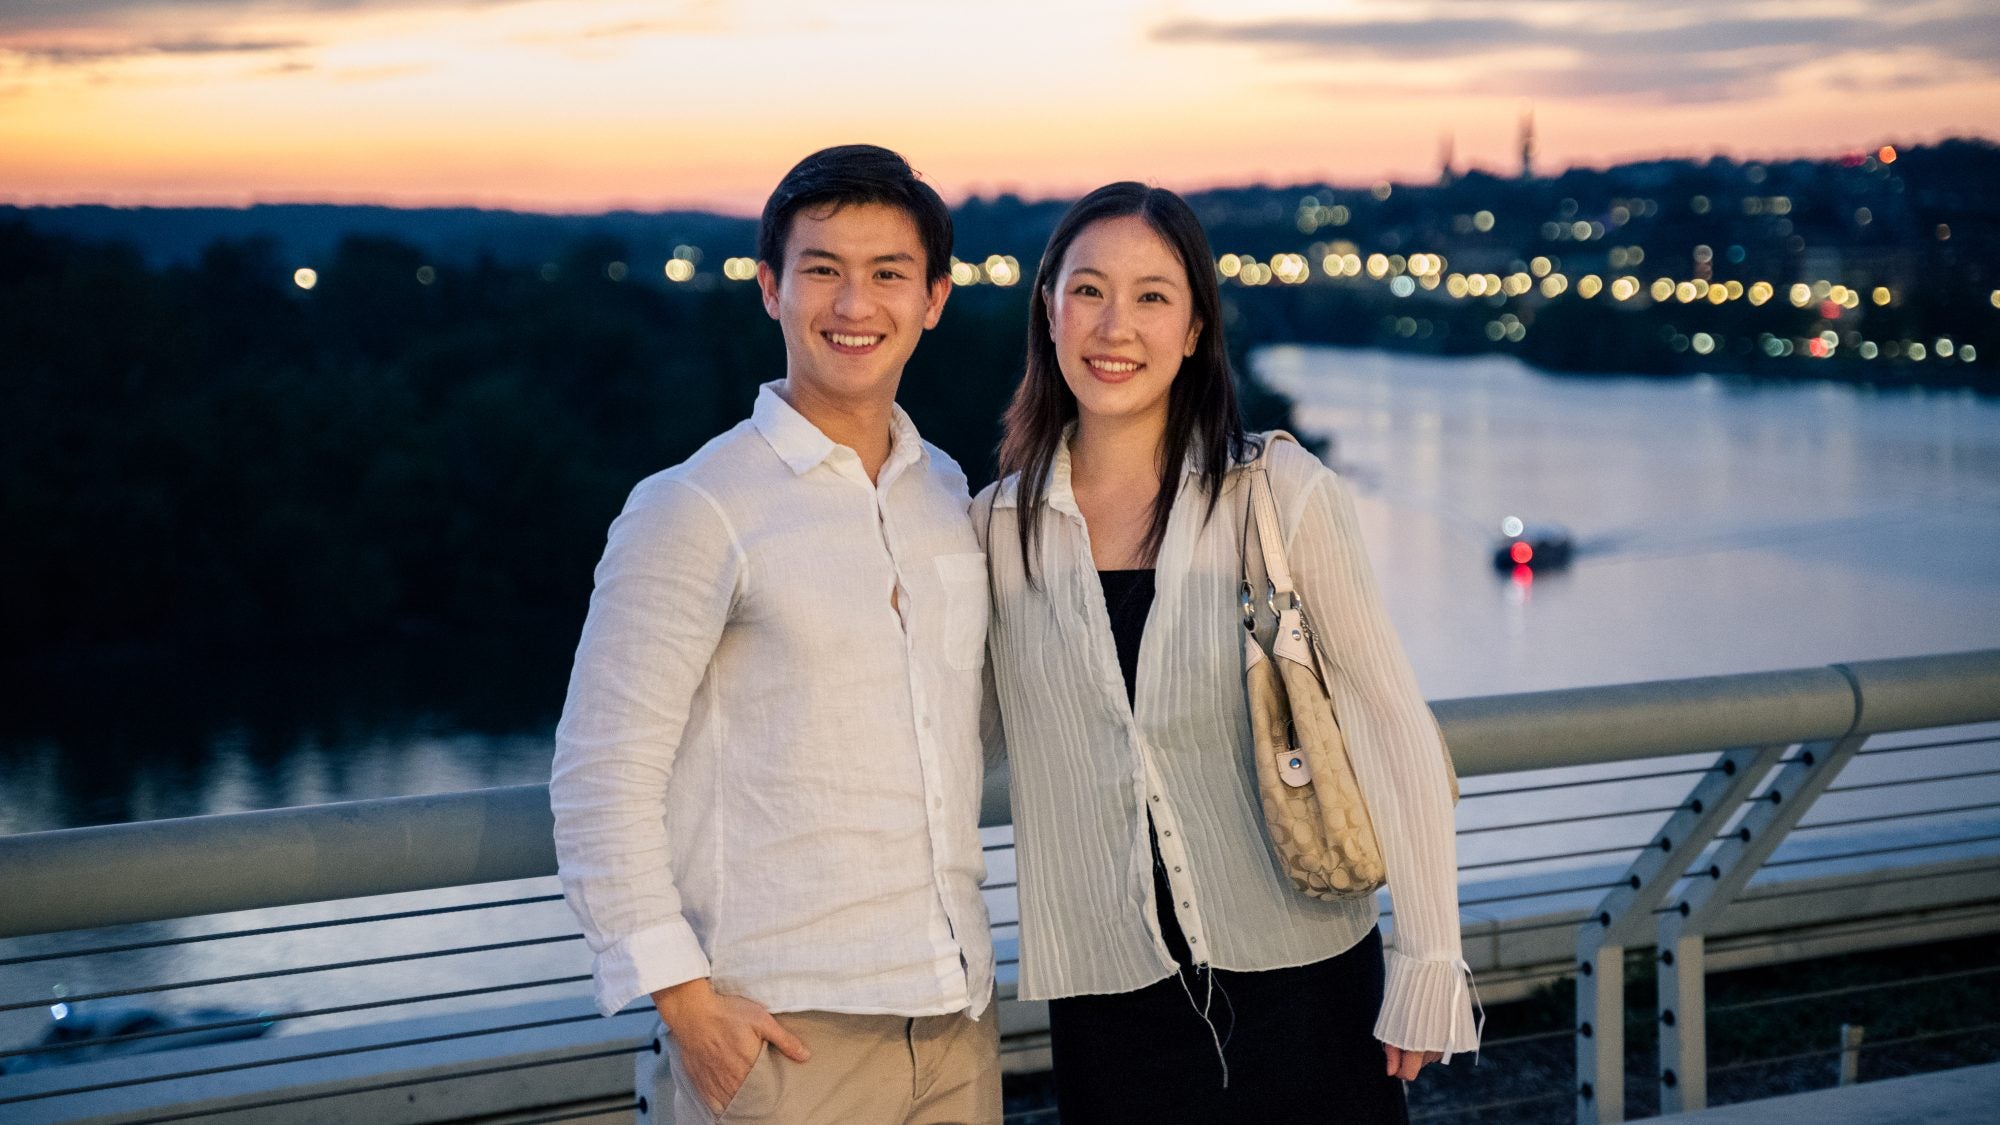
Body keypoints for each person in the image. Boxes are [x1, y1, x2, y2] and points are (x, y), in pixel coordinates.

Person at [974, 182, 1479, 1124]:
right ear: (1048, 310)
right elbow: (952, 746)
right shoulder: (998, 530)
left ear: (1197, 328)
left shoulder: (1278, 493)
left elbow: (1389, 720)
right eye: (1087, 290)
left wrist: (1430, 958)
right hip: (1107, 1000)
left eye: (1153, 296)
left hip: (1306, 986)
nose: (1114, 324)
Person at [550, 145, 1001, 1125]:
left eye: (886, 274)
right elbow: (600, 774)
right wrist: (685, 1004)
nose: (854, 305)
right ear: (770, 289)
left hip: (955, 1024)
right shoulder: (695, 506)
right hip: (781, 1038)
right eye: (822, 271)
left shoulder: (945, 494)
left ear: (932, 298)